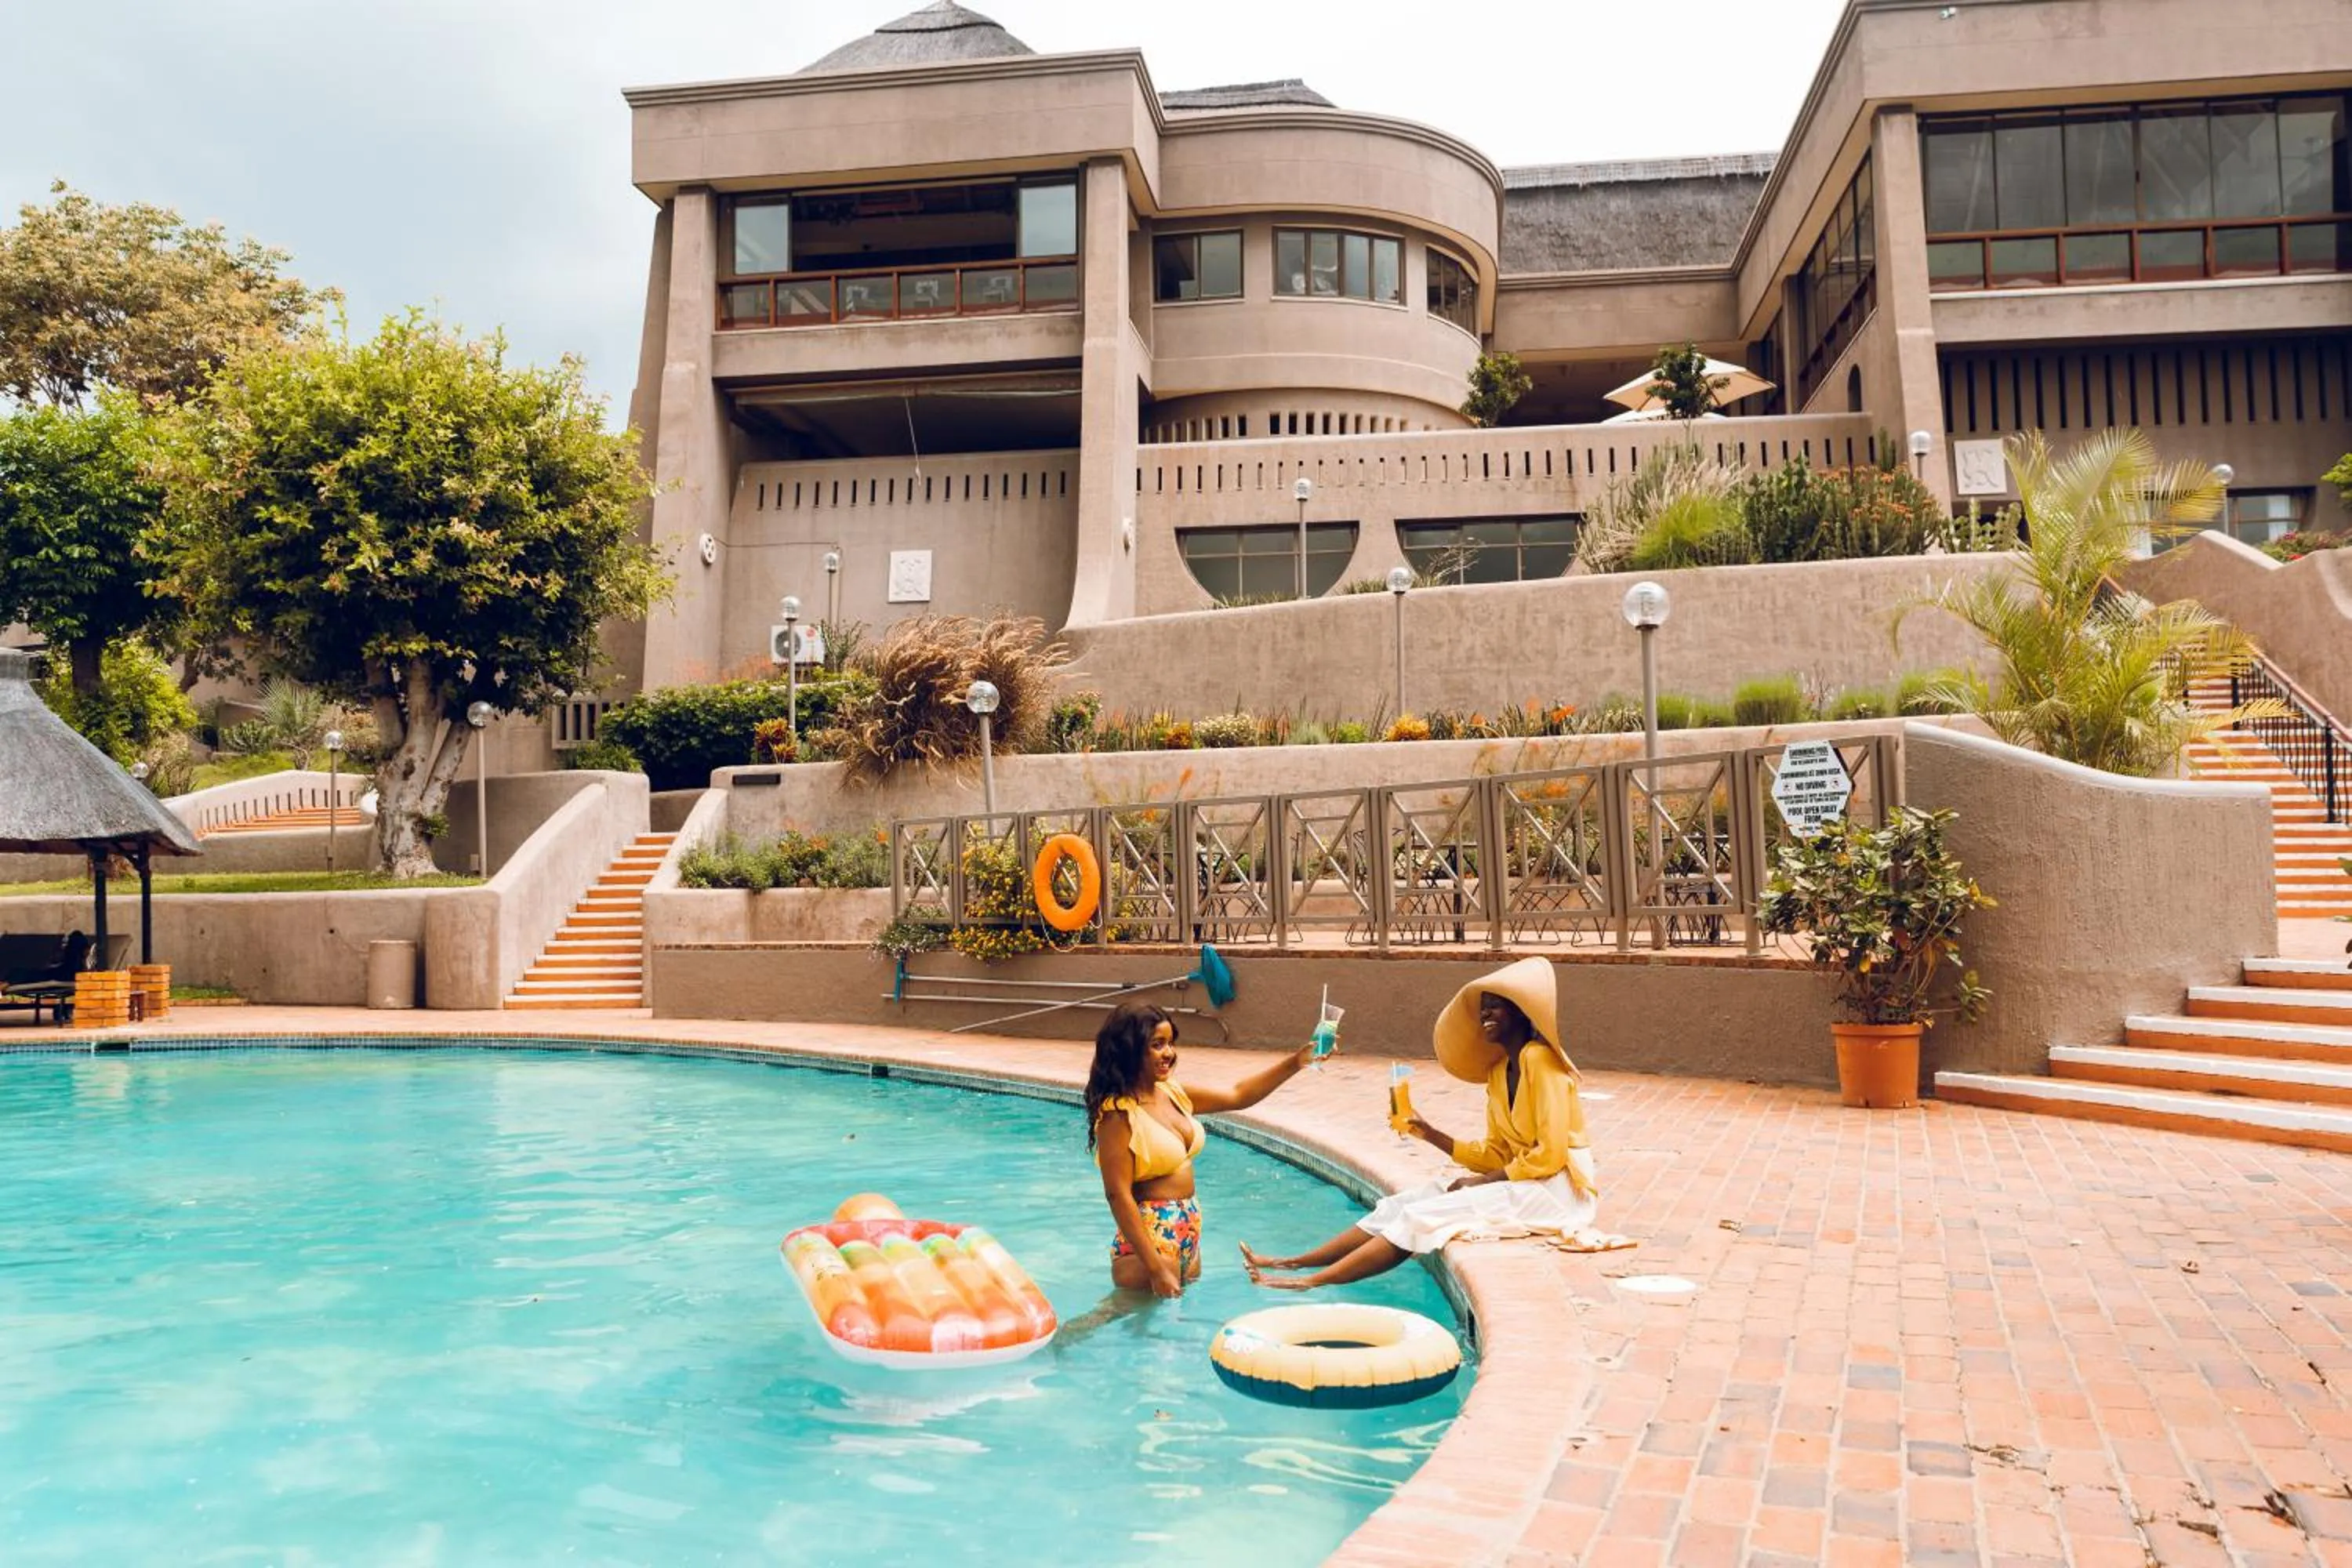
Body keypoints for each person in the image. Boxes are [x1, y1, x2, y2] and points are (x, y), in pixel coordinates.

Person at [1240, 956, 1624, 1290]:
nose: (1485, 1016)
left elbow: (1551, 1155)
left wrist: (1482, 1182)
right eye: (1483, 1009)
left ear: (1522, 1014)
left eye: (1495, 1008)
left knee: (1425, 1215)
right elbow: (1496, 1154)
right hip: (1526, 1180)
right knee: (1403, 1203)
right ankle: (1296, 1262)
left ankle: (1308, 1283)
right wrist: (1430, 1133)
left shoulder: (1541, 1061)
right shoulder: (1497, 1072)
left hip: (1561, 1190)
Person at [1087, 1002, 1319, 1299]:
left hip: (1187, 1237)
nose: (1169, 1053)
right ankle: (1065, 1341)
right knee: (1123, 1324)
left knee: (1174, 1331)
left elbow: (1238, 1096)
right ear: (1130, 1049)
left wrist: (1296, 1062)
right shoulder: (1118, 1115)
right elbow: (1117, 1195)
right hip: (1150, 1243)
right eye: (1157, 1045)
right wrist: (1156, 1267)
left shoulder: (1172, 1093)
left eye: (1171, 1043)